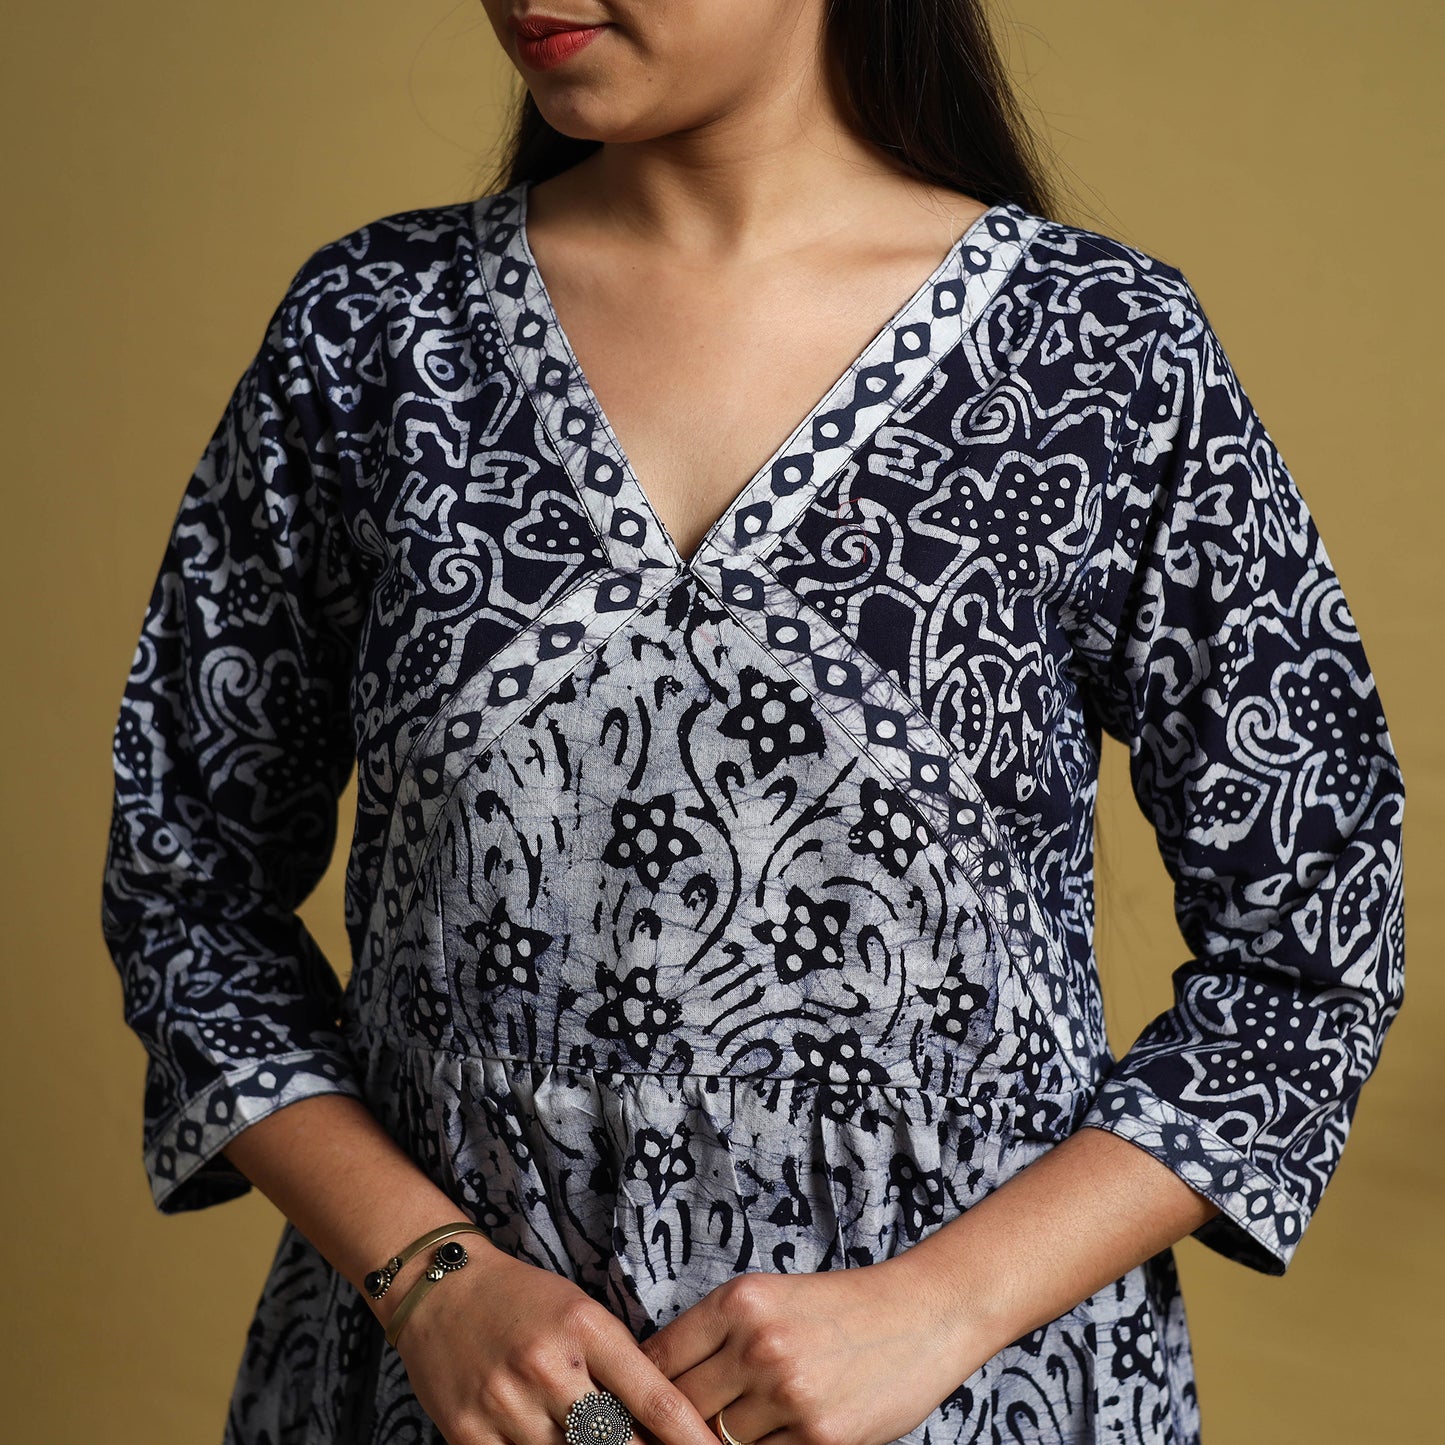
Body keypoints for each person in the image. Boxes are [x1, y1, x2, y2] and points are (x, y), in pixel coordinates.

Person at [98, 3, 1407, 1443]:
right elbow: (185, 884)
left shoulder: (1100, 354)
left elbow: (1313, 949)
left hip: (982, 1403)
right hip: (428, 1404)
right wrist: (427, 1275)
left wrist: (943, 1307)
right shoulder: (372, 334)